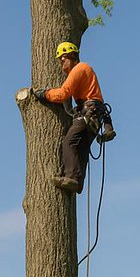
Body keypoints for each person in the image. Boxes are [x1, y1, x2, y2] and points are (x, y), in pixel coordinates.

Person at [31, 41, 116, 193]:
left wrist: (43, 94)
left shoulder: (79, 68)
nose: (62, 62)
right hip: (94, 114)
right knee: (81, 148)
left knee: (69, 142)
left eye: (64, 58)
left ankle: (71, 177)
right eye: (60, 60)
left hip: (90, 112)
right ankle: (78, 182)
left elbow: (63, 93)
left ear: (72, 56)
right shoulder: (84, 70)